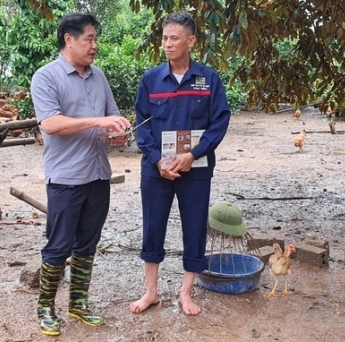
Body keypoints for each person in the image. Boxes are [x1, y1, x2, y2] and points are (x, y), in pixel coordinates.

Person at [30, 13, 131, 336]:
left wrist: (117, 131)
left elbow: (111, 115)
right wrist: (97, 122)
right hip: (65, 177)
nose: (94, 45)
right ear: (68, 39)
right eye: (89, 39)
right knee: (59, 244)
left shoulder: (98, 76)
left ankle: (78, 303)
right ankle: (45, 306)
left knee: (88, 243)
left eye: (95, 39)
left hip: (98, 174)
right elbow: (51, 124)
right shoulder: (46, 77)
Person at [130, 12, 231, 316]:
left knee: (195, 227)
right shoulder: (151, 80)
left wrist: (194, 154)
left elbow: (219, 122)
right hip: (156, 170)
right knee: (153, 226)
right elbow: (142, 125)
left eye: (174, 38)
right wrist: (158, 160)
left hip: (195, 170)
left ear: (191, 41)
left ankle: (185, 293)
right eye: (164, 38)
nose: (168, 44)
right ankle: (151, 292)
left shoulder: (208, 79)